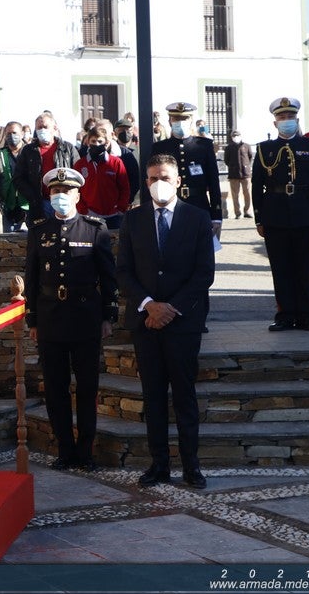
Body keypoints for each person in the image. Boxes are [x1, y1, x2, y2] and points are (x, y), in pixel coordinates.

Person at [117, 153, 214, 489]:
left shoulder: (198, 218)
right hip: (146, 322)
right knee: (153, 396)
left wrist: (171, 308)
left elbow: (204, 274)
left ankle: (191, 466)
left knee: (184, 395)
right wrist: (149, 305)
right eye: (153, 177)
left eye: (165, 177)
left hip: (183, 322)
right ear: (146, 182)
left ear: (178, 181)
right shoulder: (132, 220)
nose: (159, 182)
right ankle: (159, 465)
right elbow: (124, 271)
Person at [25, 167, 117, 472]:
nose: (60, 197)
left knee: (87, 387)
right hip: (51, 318)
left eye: (66, 192)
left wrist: (108, 315)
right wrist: (33, 320)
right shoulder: (39, 230)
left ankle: (85, 450)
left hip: (85, 317)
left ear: (78, 195)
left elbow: (108, 277)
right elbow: (32, 276)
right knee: (55, 388)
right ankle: (64, 449)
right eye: (55, 192)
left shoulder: (94, 228)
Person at [251, 97, 309, 331]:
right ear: (275, 123)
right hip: (275, 215)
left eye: (290, 117)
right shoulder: (265, 149)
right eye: (282, 118)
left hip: (305, 213)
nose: (287, 121)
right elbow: (256, 185)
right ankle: (285, 315)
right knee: (281, 268)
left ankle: (305, 315)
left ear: (297, 120)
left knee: (303, 268)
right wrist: (258, 217)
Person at [146, 102, 223, 240]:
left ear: (191, 120)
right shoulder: (160, 147)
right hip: (170, 206)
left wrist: (216, 215)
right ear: (170, 121)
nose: (180, 122)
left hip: (199, 204)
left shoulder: (203, 146)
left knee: (200, 251)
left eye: (184, 119)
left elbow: (213, 181)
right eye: (176, 119)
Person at [13, 112, 77, 226]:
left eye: (45, 127)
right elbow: (18, 178)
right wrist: (32, 197)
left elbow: (77, 173)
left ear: (55, 128)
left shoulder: (68, 148)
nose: (42, 130)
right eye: (39, 127)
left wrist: (70, 195)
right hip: (39, 203)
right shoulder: (28, 151)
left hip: (64, 202)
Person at [73, 126, 130, 230]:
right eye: (93, 141)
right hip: (89, 214)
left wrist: (120, 208)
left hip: (113, 215)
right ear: (87, 142)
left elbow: (124, 188)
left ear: (106, 142)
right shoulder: (80, 164)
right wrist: (83, 210)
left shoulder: (116, 163)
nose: (96, 144)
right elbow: (76, 189)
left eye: (100, 141)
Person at [0, 120, 29, 232]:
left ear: (21, 133)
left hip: (27, 203)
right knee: (9, 240)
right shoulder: (0, 154)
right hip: (9, 204)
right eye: (8, 134)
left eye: (14, 133)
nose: (12, 136)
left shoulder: (31, 152)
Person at [223, 130, 253, 219]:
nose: (236, 137)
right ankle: (237, 213)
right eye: (234, 136)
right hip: (233, 174)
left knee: (247, 193)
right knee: (235, 194)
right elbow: (226, 160)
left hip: (246, 174)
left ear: (240, 136)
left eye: (237, 135)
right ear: (232, 137)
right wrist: (232, 166)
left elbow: (250, 157)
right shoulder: (228, 147)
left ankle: (247, 211)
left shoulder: (246, 146)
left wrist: (247, 166)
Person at [112, 117, 142, 206]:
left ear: (132, 131)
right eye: (121, 130)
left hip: (135, 200)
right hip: (116, 199)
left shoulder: (139, 150)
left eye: (128, 130)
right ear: (115, 133)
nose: (125, 132)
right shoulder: (112, 150)